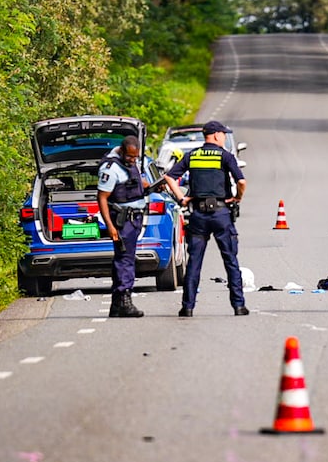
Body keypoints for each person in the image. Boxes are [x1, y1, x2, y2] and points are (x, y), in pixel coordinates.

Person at [163, 120, 249, 317]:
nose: (224, 137)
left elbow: (169, 177)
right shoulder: (225, 156)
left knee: (194, 262)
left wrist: (182, 198)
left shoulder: (192, 155)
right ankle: (238, 306)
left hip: (198, 215)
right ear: (217, 135)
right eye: (224, 134)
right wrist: (237, 197)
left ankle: (188, 307)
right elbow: (241, 181)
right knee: (230, 260)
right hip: (221, 213)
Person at [97, 135, 148, 318]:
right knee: (125, 259)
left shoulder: (130, 163)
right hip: (121, 220)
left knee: (125, 258)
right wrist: (110, 226)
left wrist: (149, 186)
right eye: (130, 157)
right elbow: (102, 198)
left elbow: (134, 184)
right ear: (122, 150)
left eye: (136, 157)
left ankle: (116, 304)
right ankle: (124, 301)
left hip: (133, 219)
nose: (133, 160)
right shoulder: (110, 169)